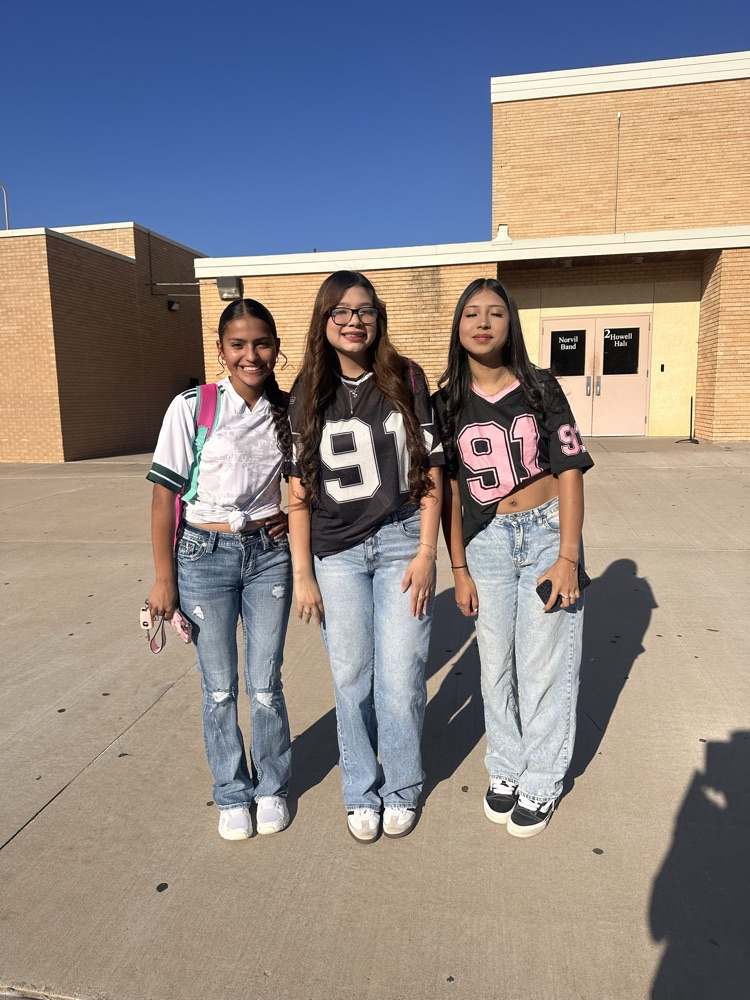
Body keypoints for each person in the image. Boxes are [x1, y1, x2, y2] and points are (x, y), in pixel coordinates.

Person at [434, 277, 594, 838]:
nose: (483, 322)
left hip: (548, 533)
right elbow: (451, 492)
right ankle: (505, 764)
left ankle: (543, 779)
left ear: (511, 324)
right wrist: (458, 568)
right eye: (471, 313)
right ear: (458, 325)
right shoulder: (446, 402)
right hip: (487, 543)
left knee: (544, 664)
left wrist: (568, 555)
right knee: (495, 662)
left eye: (495, 313)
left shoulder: (541, 385)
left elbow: (570, 468)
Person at [287, 270, 444, 843]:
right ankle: (360, 788)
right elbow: (298, 489)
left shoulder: (406, 376)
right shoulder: (307, 389)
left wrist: (428, 551)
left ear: (378, 318)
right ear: (324, 319)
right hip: (337, 555)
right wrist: (303, 573)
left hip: (403, 540)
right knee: (351, 678)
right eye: (342, 311)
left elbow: (432, 469)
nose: (354, 321)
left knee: (400, 678)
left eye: (365, 310)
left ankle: (401, 786)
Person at [146, 298, 294, 841]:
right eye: (238, 345)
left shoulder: (289, 409)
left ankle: (272, 786)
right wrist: (164, 579)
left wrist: (288, 515)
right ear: (220, 349)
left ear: (276, 348)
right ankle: (232, 792)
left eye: (262, 343)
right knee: (219, 688)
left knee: (265, 685)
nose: (250, 355)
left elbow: (312, 482)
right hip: (202, 556)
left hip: (269, 557)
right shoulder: (193, 407)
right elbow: (164, 496)